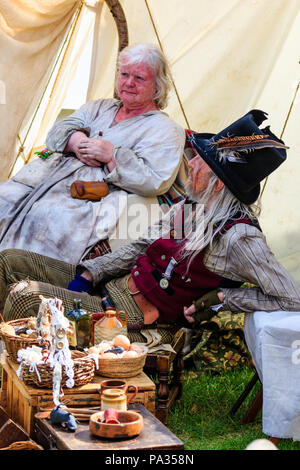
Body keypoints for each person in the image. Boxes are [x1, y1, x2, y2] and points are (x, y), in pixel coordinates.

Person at [1, 109, 299, 348]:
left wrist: (226, 298)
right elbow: (142, 246)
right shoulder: (192, 207)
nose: (191, 164)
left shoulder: (239, 238)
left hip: (132, 317)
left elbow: (291, 298)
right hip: (113, 285)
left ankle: (35, 372)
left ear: (217, 184)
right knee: (8, 262)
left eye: (200, 163)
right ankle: (21, 360)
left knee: (24, 298)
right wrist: (91, 272)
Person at [0, 43, 185, 265]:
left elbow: (156, 180)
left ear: (157, 85)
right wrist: (75, 140)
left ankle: (21, 279)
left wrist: (111, 154)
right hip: (44, 180)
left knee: (46, 218)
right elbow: (58, 131)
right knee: (3, 199)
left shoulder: (164, 129)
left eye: (139, 78)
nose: (128, 83)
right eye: (124, 74)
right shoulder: (100, 107)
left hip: (88, 199)